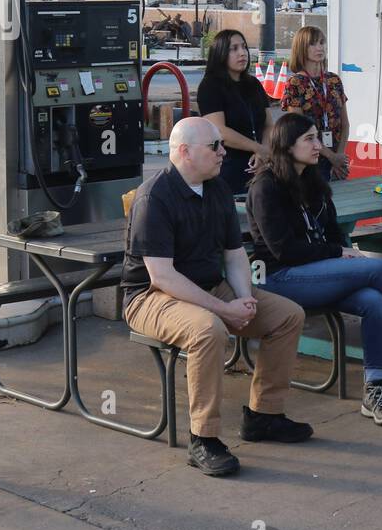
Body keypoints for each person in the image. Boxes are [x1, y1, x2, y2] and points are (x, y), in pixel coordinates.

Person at [122, 116, 312, 477]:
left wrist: (244, 300)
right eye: (215, 147)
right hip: (151, 296)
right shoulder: (154, 198)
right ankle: (203, 438)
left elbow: (234, 254)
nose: (224, 152)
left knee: (288, 315)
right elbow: (161, 276)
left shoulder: (218, 188)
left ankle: (264, 416)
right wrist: (224, 309)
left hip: (208, 287)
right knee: (208, 329)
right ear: (184, 152)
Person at [248, 114, 382, 423]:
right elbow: (284, 251)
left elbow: (335, 232)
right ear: (286, 146)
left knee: (373, 301)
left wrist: (337, 252)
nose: (318, 145)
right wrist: (338, 253)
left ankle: (374, 391)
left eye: (317, 137)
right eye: (309, 139)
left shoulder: (314, 182)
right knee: (375, 270)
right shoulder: (266, 187)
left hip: (318, 273)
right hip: (279, 278)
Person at [196, 29, 271, 195]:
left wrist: (264, 151)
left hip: (261, 165)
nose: (242, 53)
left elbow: (269, 124)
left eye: (244, 47)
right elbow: (219, 131)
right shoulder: (210, 86)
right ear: (220, 52)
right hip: (227, 167)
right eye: (234, 49)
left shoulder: (254, 84)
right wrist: (257, 148)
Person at [280, 26, 351, 181]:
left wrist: (339, 156)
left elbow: (345, 124)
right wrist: (331, 156)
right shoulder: (295, 83)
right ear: (301, 48)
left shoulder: (334, 80)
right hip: (308, 160)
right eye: (312, 44)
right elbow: (298, 130)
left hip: (336, 160)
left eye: (322, 42)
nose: (320, 47)